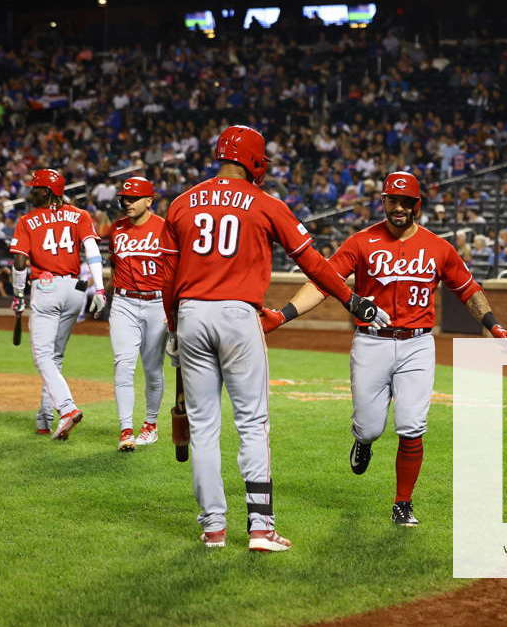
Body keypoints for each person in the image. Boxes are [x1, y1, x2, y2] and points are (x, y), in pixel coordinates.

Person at [159, 125, 386, 552]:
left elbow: (168, 277)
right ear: (255, 160)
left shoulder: (181, 203)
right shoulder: (265, 203)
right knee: (252, 422)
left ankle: (213, 529)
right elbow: (315, 265)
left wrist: (173, 325)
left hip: (190, 314)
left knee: (204, 427)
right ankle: (260, 528)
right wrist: (352, 300)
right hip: (237, 315)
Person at [260, 170, 507, 528]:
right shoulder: (361, 242)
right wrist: (282, 315)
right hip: (372, 342)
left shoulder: (439, 247)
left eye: (406, 201)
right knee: (370, 427)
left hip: (418, 344)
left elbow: (468, 289)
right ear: (383, 202)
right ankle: (362, 440)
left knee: (412, 425)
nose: (399, 208)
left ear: (416, 206)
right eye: (393, 200)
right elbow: (324, 282)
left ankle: (402, 503)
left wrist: (492, 324)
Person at [9, 168, 105, 438]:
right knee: (55, 358)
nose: (31, 192)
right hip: (75, 290)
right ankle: (44, 419)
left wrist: (18, 294)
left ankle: (67, 408)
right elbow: (92, 250)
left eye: (36, 188)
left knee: (43, 357)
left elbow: (19, 262)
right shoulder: (80, 214)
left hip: (47, 288)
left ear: (48, 191)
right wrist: (99, 288)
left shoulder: (27, 221)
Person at [104, 177, 169, 452]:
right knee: (123, 364)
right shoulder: (116, 229)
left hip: (157, 304)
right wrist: (103, 294)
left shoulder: (166, 229)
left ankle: (150, 425)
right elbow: (114, 266)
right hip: (124, 303)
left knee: (153, 370)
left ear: (149, 201)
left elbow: (175, 270)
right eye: (124, 198)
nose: (126, 203)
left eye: (133, 198)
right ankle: (126, 429)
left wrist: (176, 311)